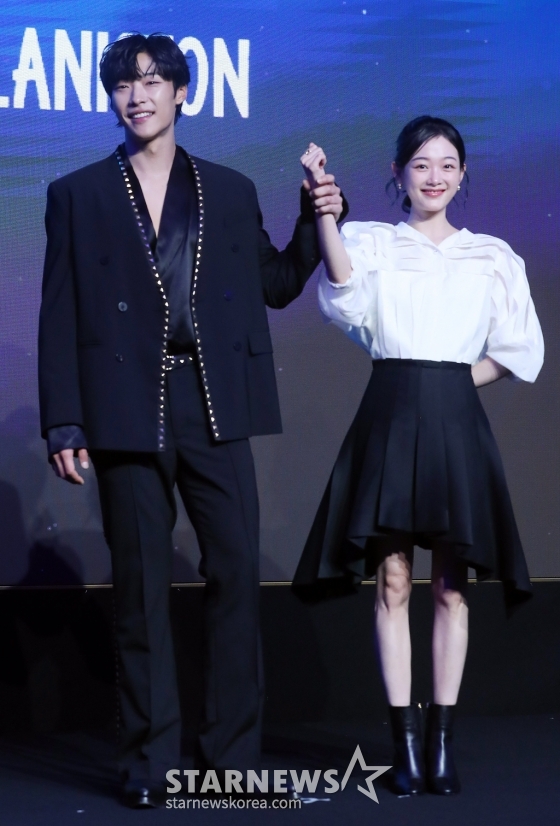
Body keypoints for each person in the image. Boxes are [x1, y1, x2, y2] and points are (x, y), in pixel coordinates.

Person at [38, 33, 346, 808]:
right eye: (124, 84)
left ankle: (230, 760)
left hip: (213, 402)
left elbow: (277, 284)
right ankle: (149, 763)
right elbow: (59, 313)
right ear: (111, 98)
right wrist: (64, 422)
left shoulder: (229, 190)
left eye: (153, 81)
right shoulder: (77, 193)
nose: (137, 95)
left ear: (181, 92)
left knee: (236, 575)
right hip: (123, 408)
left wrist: (314, 219)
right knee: (141, 589)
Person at [293, 117, 543, 796]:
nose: (435, 176)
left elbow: (520, 348)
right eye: (422, 164)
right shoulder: (373, 241)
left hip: (455, 424)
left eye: (448, 165)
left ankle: (441, 743)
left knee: (452, 587)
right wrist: (324, 209)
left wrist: (452, 383)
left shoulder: (491, 255)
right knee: (393, 583)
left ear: (462, 175)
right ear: (399, 173)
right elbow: (343, 288)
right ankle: (402, 742)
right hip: (391, 414)